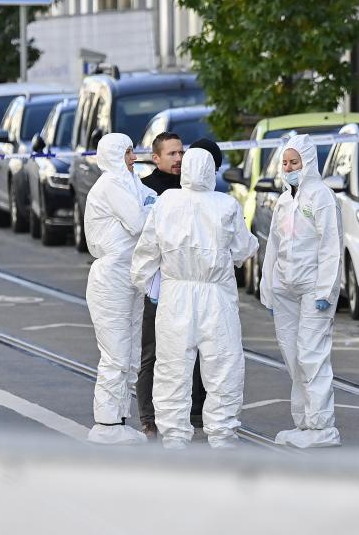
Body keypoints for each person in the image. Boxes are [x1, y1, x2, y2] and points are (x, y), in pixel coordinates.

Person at [131, 148, 258, 450]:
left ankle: (174, 435)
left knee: (172, 366)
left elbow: (147, 250)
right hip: (216, 295)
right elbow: (243, 250)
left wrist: (145, 283)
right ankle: (223, 434)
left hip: (175, 295)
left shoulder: (166, 203)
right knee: (223, 365)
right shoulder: (226, 205)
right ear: (212, 170)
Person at [258, 134, 342, 448]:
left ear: (308, 163)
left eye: (295, 162)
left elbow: (331, 245)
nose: (289, 167)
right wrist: (268, 286)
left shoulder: (320, 196)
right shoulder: (284, 201)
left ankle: (322, 426)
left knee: (312, 355)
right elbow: (273, 247)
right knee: (293, 356)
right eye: (286, 162)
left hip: (313, 289)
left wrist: (325, 289)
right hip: (286, 289)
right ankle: (304, 423)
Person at [84, 133, 155, 445]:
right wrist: (152, 207)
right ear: (115, 154)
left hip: (130, 275)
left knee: (129, 354)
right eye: (128, 153)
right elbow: (140, 220)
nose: (133, 159)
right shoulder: (112, 184)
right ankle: (108, 421)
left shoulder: (129, 182)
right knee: (116, 353)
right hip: (111, 277)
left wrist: (152, 205)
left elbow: (152, 200)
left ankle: (117, 418)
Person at [134, 132, 206, 438]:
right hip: (159, 284)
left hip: (192, 284)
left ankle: (195, 410)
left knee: (198, 349)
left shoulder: (193, 188)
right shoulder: (146, 190)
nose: (178, 159)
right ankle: (149, 417)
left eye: (181, 153)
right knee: (153, 351)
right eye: (172, 154)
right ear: (156, 157)